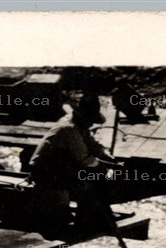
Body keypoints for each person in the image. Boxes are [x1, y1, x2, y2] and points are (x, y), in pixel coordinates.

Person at [28, 92, 123, 235]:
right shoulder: (69, 129)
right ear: (82, 117)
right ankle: (87, 219)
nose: (92, 123)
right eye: (90, 120)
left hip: (61, 168)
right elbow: (85, 159)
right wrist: (104, 169)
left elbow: (92, 145)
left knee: (93, 178)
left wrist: (109, 158)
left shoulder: (79, 126)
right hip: (45, 171)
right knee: (93, 180)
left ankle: (93, 214)